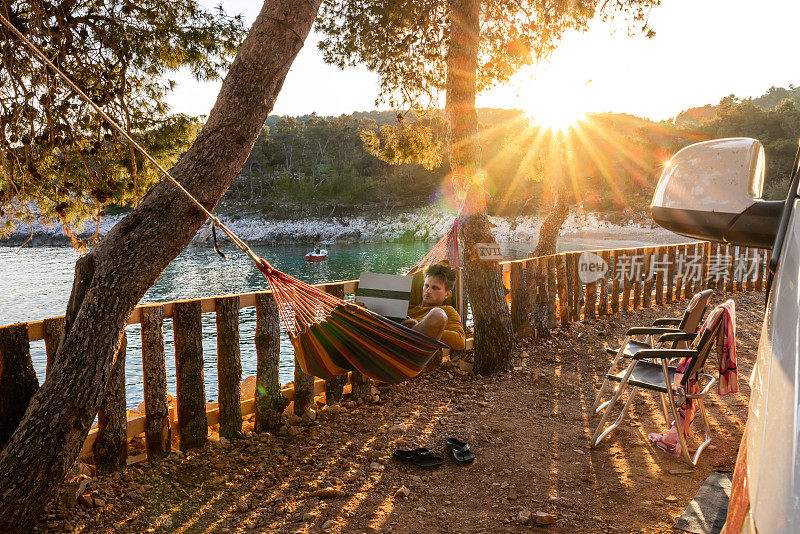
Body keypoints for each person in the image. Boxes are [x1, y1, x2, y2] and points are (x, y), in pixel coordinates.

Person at [402, 262, 466, 350]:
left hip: (417, 352)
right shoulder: (408, 307)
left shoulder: (447, 311)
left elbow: (460, 341)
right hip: (393, 345)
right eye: (426, 286)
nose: (428, 291)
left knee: (438, 314)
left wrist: (420, 328)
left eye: (435, 288)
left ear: (447, 294)